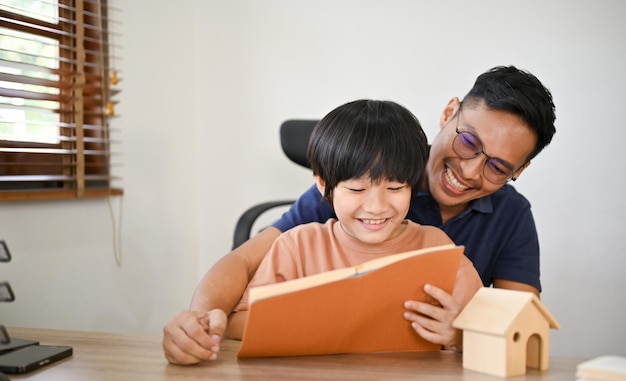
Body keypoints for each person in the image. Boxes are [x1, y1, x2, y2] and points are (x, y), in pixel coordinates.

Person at [162, 65, 556, 365]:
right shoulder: (341, 198)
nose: (470, 171)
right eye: (469, 142)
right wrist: (202, 324)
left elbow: (520, 333)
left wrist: (463, 335)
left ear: (518, 171)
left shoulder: (486, 226)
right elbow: (245, 263)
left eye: (498, 167)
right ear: (449, 113)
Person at [227, 99, 483, 352]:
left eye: (395, 188)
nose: (376, 207)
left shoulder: (436, 249)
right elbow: (235, 324)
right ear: (323, 185)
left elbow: (493, 329)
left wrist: (459, 336)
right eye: (356, 189)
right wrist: (303, 323)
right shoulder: (297, 247)